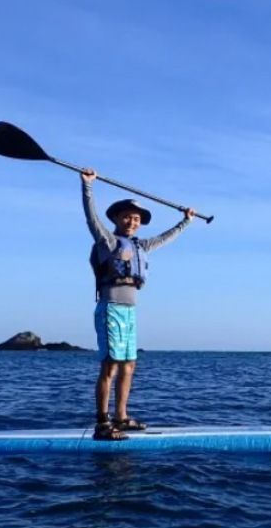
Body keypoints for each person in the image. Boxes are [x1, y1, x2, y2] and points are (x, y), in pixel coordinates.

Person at [81, 168, 195, 440]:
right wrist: (87, 187)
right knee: (110, 365)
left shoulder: (142, 246)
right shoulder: (107, 241)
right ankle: (102, 424)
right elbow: (91, 218)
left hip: (130, 311)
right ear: (117, 219)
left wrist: (186, 221)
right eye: (127, 217)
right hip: (110, 308)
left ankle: (121, 417)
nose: (132, 222)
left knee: (129, 364)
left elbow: (166, 238)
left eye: (136, 219)